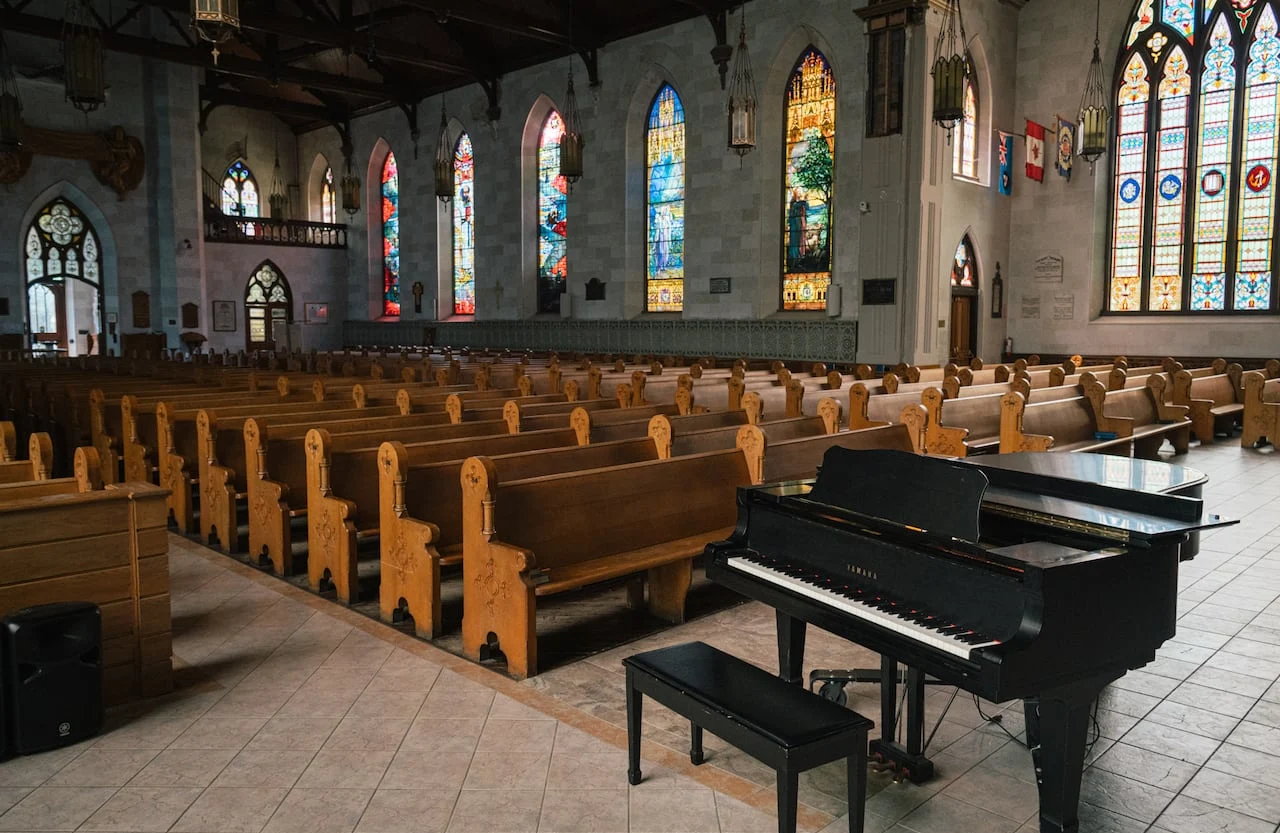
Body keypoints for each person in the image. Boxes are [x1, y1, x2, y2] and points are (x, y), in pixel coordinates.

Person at [787, 187, 808, 268]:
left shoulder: (799, 203)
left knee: (800, 242)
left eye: (801, 191)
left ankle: (798, 260)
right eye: (799, 191)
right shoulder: (793, 202)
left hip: (799, 224)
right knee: (795, 243)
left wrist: (805, 200)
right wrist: (804, 200)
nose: (800, 193)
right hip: (795, 225)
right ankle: (794, 261)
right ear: (795, 193)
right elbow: (797, 206)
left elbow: (807, 206)